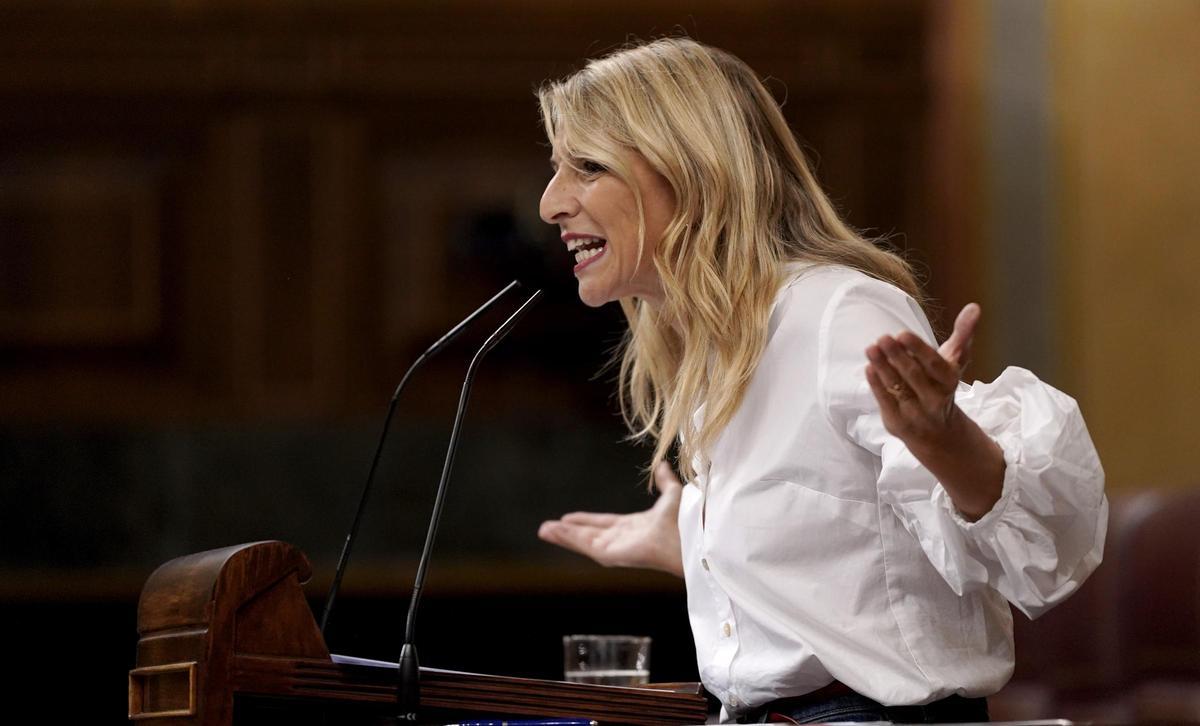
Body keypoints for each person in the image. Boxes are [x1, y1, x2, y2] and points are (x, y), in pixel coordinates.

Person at [534, 38, 1106, 724]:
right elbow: (851, 556)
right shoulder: (715, 345)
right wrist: (695, 538)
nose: (550, 203)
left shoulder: (836, 312)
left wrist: (946, 437)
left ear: (691, 172)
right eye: (556, 168)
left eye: (587, 168)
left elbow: (1036, 559)